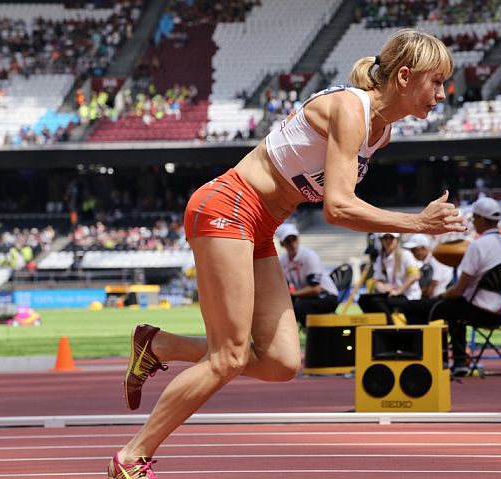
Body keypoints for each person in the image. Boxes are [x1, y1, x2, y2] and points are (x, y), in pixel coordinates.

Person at [108, 28, 465, 479]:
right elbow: (338, 206)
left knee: (280, 363)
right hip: (227, 206)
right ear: (405, 76)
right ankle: (130, 458)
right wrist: (417, 223)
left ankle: (159, 345)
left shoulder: (383, 132)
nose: (441, 93)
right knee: (229, 357)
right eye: (436, 81)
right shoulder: (350, 108)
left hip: (260, 225)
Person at [400, 197, 501, 376]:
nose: (473, 222)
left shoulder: (477, 246)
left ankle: (423, 361)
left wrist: (441, 296)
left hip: (476, 310)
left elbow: (459, 290)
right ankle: (459, 361)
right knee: (454, 310)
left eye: (475, 218)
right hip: (498, 313)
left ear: (482, 219)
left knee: (415, 307)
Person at [275, 222, 339, 329]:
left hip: (327, 297)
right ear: (282, 244)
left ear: (298, 238)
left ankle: (313, 334)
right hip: (306, 297)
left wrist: (294, 294)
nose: (292, 243)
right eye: (288, 241)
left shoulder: (309, 256)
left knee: (299, 307)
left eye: (294, 239)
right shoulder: (283, 260)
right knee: (281, 307)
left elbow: (315, 289)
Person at [358, 233, 422, 323]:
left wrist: (399, 290)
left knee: (376, 302)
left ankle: (390, 326)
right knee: (363, 300)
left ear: (396, 240)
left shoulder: (405, 254)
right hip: (392, 295)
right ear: (381, 240)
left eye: (391, 238)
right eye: (385, 238)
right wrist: (381, 286)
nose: (388, 241)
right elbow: (377, 279)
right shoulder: (381, 257)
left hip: (409, 296)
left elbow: (415, 275)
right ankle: (380, 326)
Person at [402, 233, 453, 298]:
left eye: (414, 250)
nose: (412, 253)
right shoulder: (426, 261)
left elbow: (433, 285)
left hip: (441, 295)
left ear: (423, 248)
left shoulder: (434, 260)